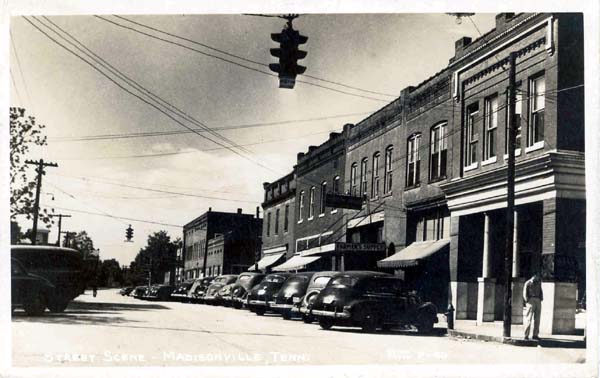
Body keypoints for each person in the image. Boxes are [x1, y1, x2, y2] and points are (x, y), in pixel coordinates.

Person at [523, 273, 543, 340]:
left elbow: (541, 291)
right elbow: (525, 293)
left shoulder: (539, 283)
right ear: (533, 276)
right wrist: (527, 300)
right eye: (535, 276)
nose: (537, 278)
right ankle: (526, 335)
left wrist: (540, 298)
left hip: (538, 300)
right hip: (531, 300)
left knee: (537, 319)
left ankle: (535, 335)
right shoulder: (528, 283)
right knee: (529, 318)